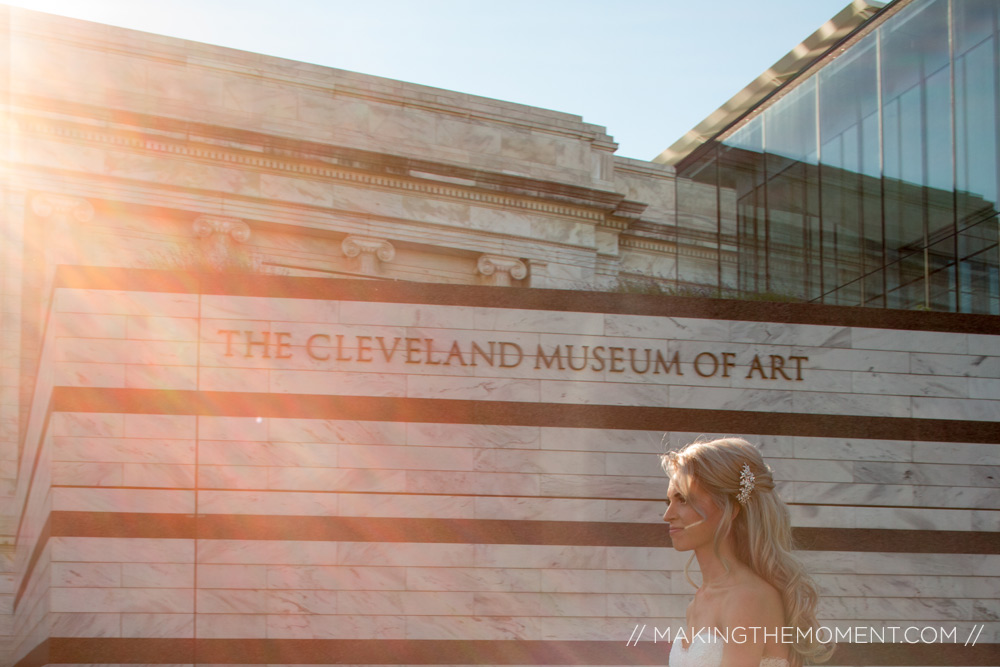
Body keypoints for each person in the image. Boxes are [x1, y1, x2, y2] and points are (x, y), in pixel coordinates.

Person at [661, 437, 832, 667]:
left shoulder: (747, 598)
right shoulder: (699, 602)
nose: (667, 515)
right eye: (668, 501)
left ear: (730, 508)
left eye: (683, 499)